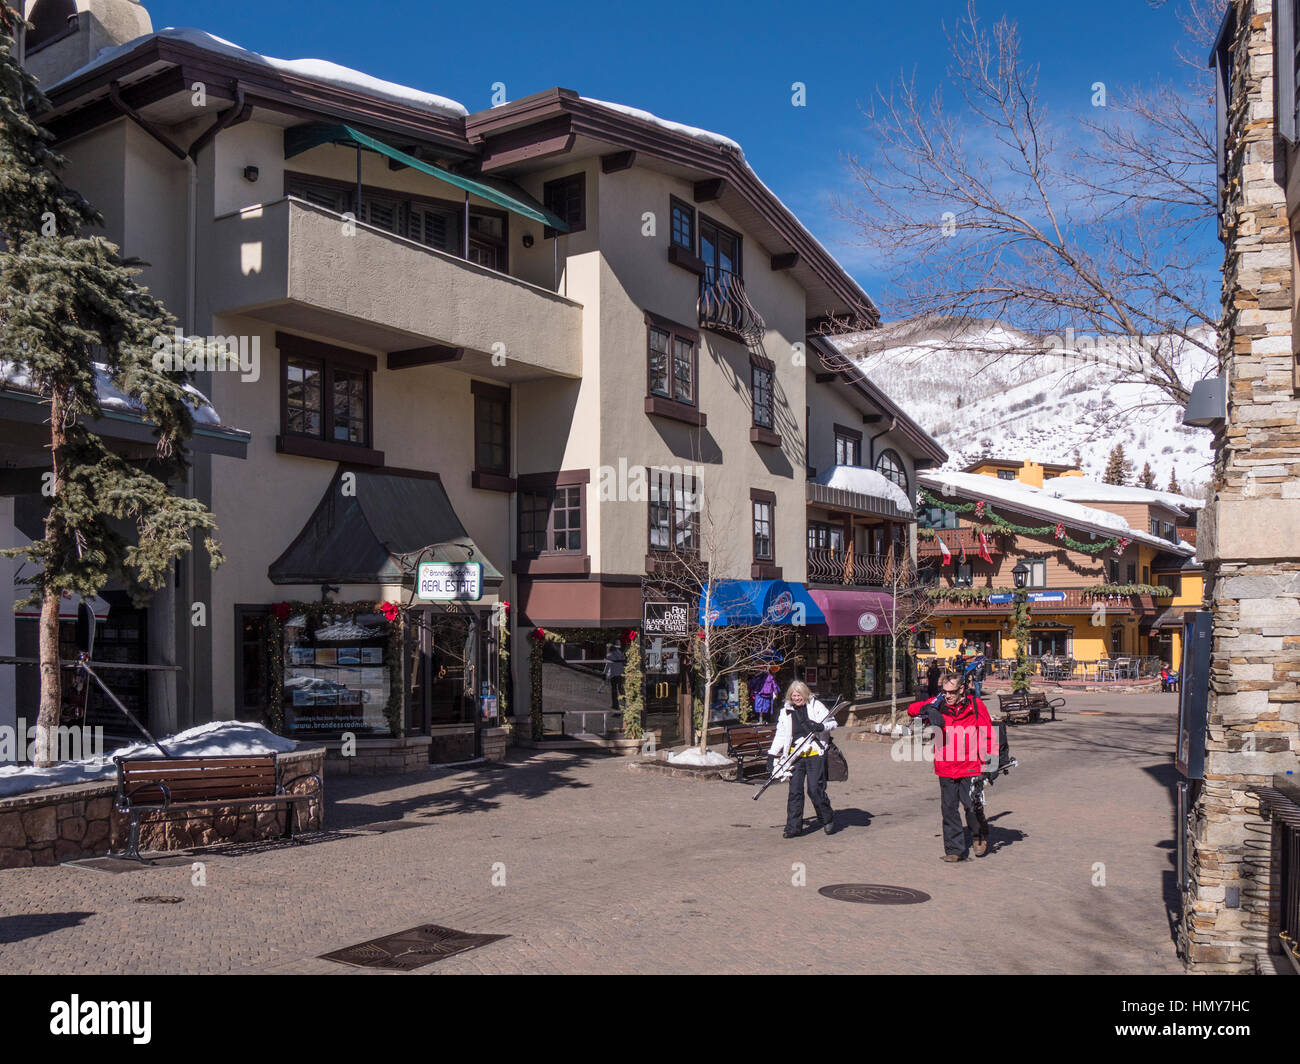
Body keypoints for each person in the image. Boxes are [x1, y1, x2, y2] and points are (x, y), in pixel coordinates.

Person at [907, 672, 997, 862]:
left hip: (971, 765)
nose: (947, 696)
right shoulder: (938, 703)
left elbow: (988, 733)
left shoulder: (975, 705)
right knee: (949, 809)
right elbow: (911, 710)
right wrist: (929, 708)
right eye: (944, 691)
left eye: (951, 692)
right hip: (946, 766)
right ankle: (955, 850)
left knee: (971, 807)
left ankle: (979, 836)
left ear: (962, 689)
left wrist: (991, 763)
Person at [766, 680, 838, 838]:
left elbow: (833, 723)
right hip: (795, 756)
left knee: (815, 789)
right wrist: (771, 755)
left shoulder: (816, 706)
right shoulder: (786, 712)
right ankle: (793, 827)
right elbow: (781, 734)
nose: (797, 698)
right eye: (794, 695)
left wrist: (821, 727)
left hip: (815, 754)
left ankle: (827, 818)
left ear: (805, 694)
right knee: (795, 791)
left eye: (799, 695)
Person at [603, 643, 626, 714]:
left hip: (613, 674)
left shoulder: (609, 655)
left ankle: (615, 705)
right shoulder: (620, 653)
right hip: (621, 673)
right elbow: (623, 661)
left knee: (614, 691)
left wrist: (604, 673)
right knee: (621, 689)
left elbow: (607, 666)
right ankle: (627, 701)